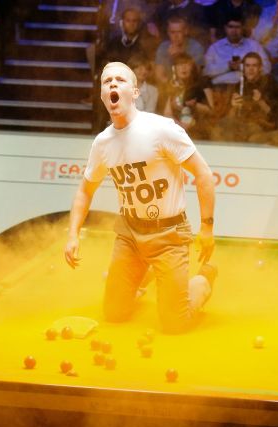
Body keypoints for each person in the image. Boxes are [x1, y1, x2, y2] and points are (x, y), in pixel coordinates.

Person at [64, 61, 217, 334]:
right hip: (130, 235)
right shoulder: (102, 143)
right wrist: (73, 235)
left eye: (120, 80)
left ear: (135, 92)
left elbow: (204, 175)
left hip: (169, 236)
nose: (112, 84)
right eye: (107, 81)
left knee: (175, 324)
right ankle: (143, 277)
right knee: (114, 314)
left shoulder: (161, 129)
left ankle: (203, 280)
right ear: (102, 95)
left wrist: (207, 227)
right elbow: (85, 190)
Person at [210, 52, 278, 141]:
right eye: (247, 66)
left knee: (251, 132)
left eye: (254, 66)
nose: (251, 69)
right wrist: (234, 107)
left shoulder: (270, 84)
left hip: (260, 124)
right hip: (239, 123)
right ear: (243, 68)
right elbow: (230, 116)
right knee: (220, 127)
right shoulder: (238, 86)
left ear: (260, 68)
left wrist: (260, 101)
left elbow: (274, 116)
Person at [203, 14, 271, 86]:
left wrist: (244, 68)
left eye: (237, 27)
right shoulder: (214, 48)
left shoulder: (254, 45)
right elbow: (206, 72)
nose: (234, 31)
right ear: (225, 28)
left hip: (247, 86)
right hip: (220, 87)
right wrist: (228, 66)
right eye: (230, 27)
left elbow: (267, 68)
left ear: (243, 28)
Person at [161, 52, 214, 138]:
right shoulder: (170, 86)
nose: (183, 68)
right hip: (176, 128)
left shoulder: (203, 83)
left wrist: (196, 105)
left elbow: (211, 111)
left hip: (199, 127)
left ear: (192, 67)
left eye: (187, 64)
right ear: (174, 69)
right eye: (179, 65)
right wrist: (180, 126)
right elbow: (167, 113)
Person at [154, 16, 206, 84]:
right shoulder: (163, 47)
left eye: (179, 32)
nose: (176, 36)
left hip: (191, 86)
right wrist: (173, 86)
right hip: (170, 86)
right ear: (168, 32)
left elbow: (196, 74)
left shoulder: (196, 47)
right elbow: (159, 75)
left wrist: (180, 55)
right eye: (172, 32)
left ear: (186, 31)